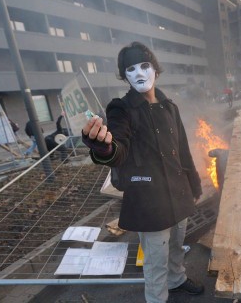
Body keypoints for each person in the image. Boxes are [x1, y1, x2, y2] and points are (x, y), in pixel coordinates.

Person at [82, 42, 204, 303]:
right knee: (155, 260)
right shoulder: (121, 109)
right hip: (149, 201)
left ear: (155, 69)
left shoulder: (170, 107)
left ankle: (178, 279)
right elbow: (119, 148)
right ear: (124, 75)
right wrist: (104, 147)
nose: (139, 73)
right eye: (130, 68)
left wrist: (194, 184)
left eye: (145, 65)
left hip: (178, 192)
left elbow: (183, 150)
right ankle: (157, 299)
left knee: (176, 246)